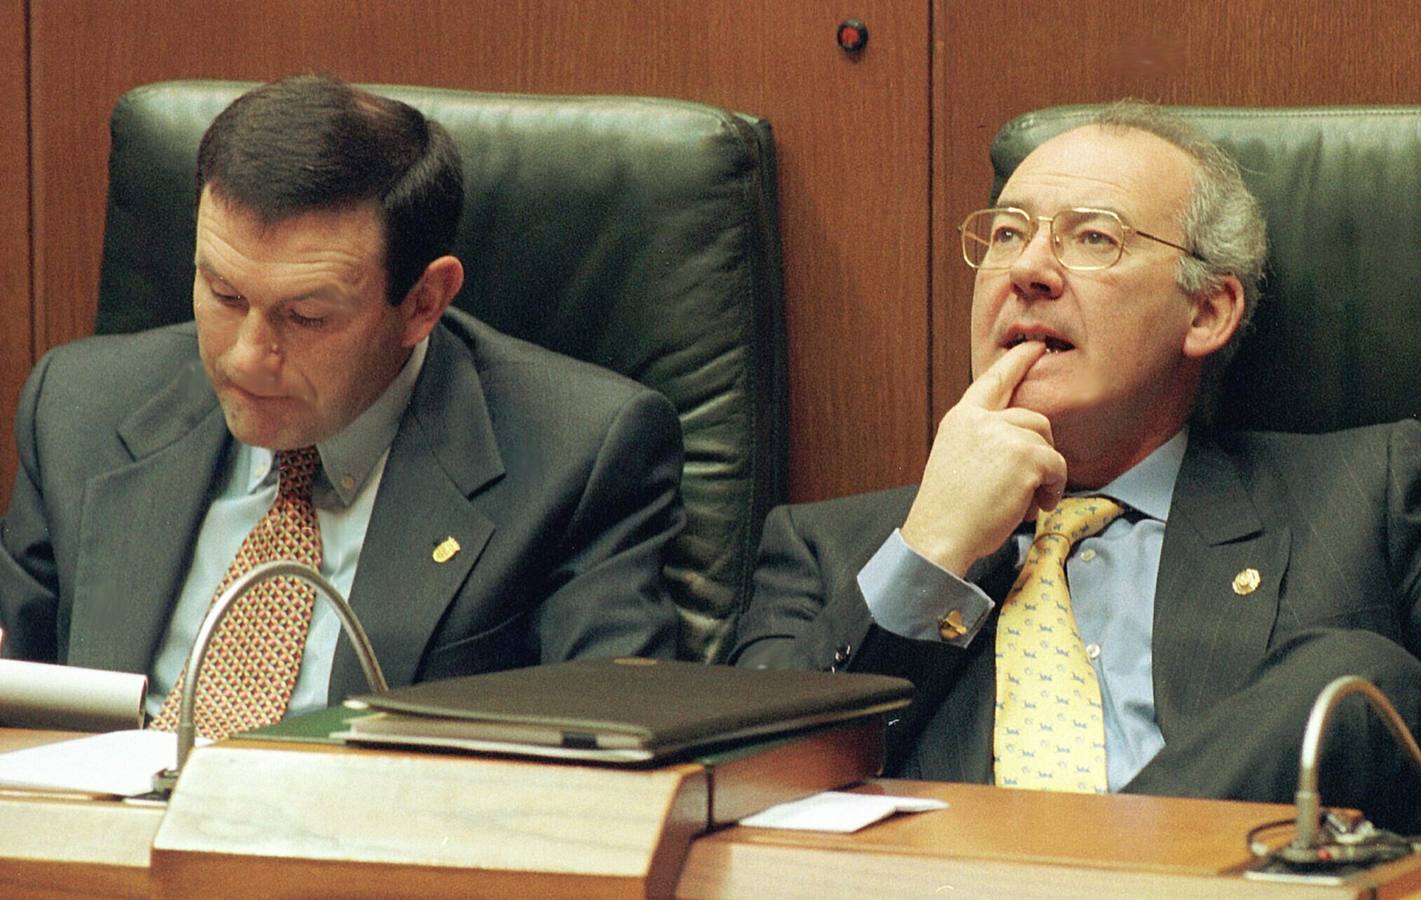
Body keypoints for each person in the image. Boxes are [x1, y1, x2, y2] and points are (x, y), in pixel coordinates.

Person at [732, 101, 1421, 832]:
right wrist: (931, 550)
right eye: (1005, 233)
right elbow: (736, 794)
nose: (1026, 270)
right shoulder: (826, 549)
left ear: (1206, 312)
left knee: (1348, 682)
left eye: (1092, 237)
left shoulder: (1366, 496)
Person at [0, 74, 684, 737]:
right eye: (224, 295)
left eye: (305, 316)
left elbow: (612, 751)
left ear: (423, 303)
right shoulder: (79, 408)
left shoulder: (579, 454)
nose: (246, 357)